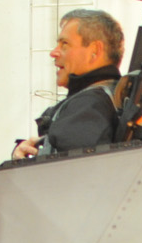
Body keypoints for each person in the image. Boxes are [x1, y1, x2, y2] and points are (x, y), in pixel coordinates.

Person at [12, 9, 124, 160]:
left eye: (64, 44)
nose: (54, 52)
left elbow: (66, 178)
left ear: (95, 51)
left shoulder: (88, 106)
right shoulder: (111, 97)